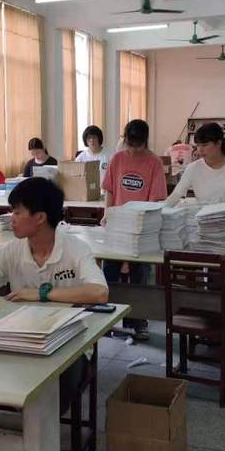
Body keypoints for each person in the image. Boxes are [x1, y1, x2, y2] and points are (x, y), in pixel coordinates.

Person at [0, 177, 108, 313]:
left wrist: (41, 294)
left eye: (17, 213)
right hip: (23, 327)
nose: (11, 218)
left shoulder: (76, 249)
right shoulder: (12, 250)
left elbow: (100, 292)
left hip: (69, 328)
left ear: (40, 217)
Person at [101, 119, 167, 340]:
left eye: (137, 146)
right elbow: (110, 190)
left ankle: (139, 321)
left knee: (139, 277)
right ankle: (107, 320)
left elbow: (156, 199)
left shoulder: (154, 162)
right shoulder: (117, 158)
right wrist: (107, 214)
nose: (133, 150)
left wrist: (145, 225)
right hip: (117, 226)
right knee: (110, 274)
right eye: (130, 144)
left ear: (145, 141)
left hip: (141, 228)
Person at [165, 122, 225, 210]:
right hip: (205, 218)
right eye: (198, 145)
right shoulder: (193, 168)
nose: (200, 150)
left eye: (205, 145)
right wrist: (160, 209)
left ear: (218, 143)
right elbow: (176, 195)